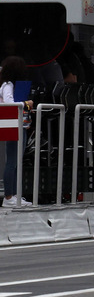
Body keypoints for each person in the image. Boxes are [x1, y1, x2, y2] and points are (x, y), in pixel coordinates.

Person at [1, 55, 33, 207]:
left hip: (19, 124)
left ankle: (13, 194)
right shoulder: (7, 85)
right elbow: (9, 103)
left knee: (16, 161)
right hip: (13, 124)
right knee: (12, 161)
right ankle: (9, 197)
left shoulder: (10, 84)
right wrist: (25, 104)